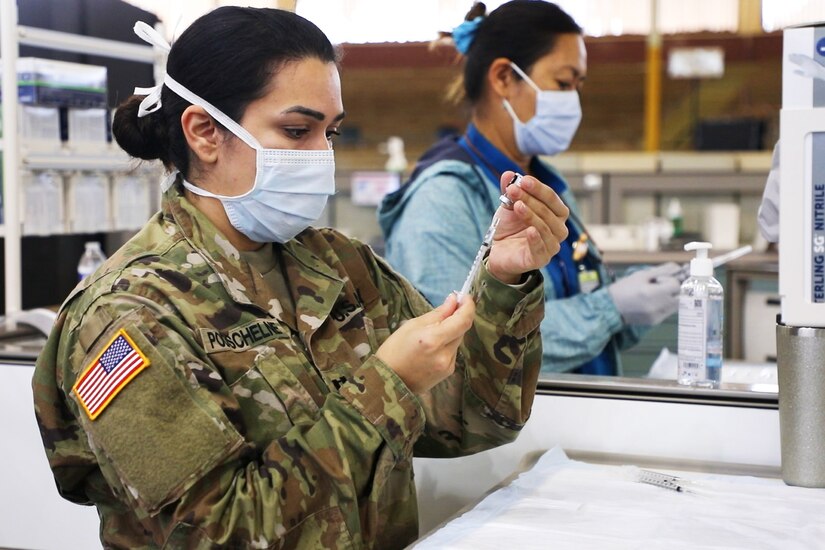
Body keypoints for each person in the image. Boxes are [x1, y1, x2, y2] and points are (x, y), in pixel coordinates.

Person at [31, 7, 568, 549]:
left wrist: (503, 279)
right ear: (205, 133)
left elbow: (474, 418)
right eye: (297, 130)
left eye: (329, 132)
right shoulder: (128, 314)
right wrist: (386, 385)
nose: (322, 156)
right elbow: (219, 532)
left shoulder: (340, 266)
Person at [378, 0, 683, 376]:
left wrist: (639, 300)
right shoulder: (442, 197)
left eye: (578, 86)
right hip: (518, 429)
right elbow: (461, 346)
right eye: (562, 83)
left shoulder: (545, 183)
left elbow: (579, 303)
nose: (573, 99)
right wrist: (611, 308)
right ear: (504, 78)